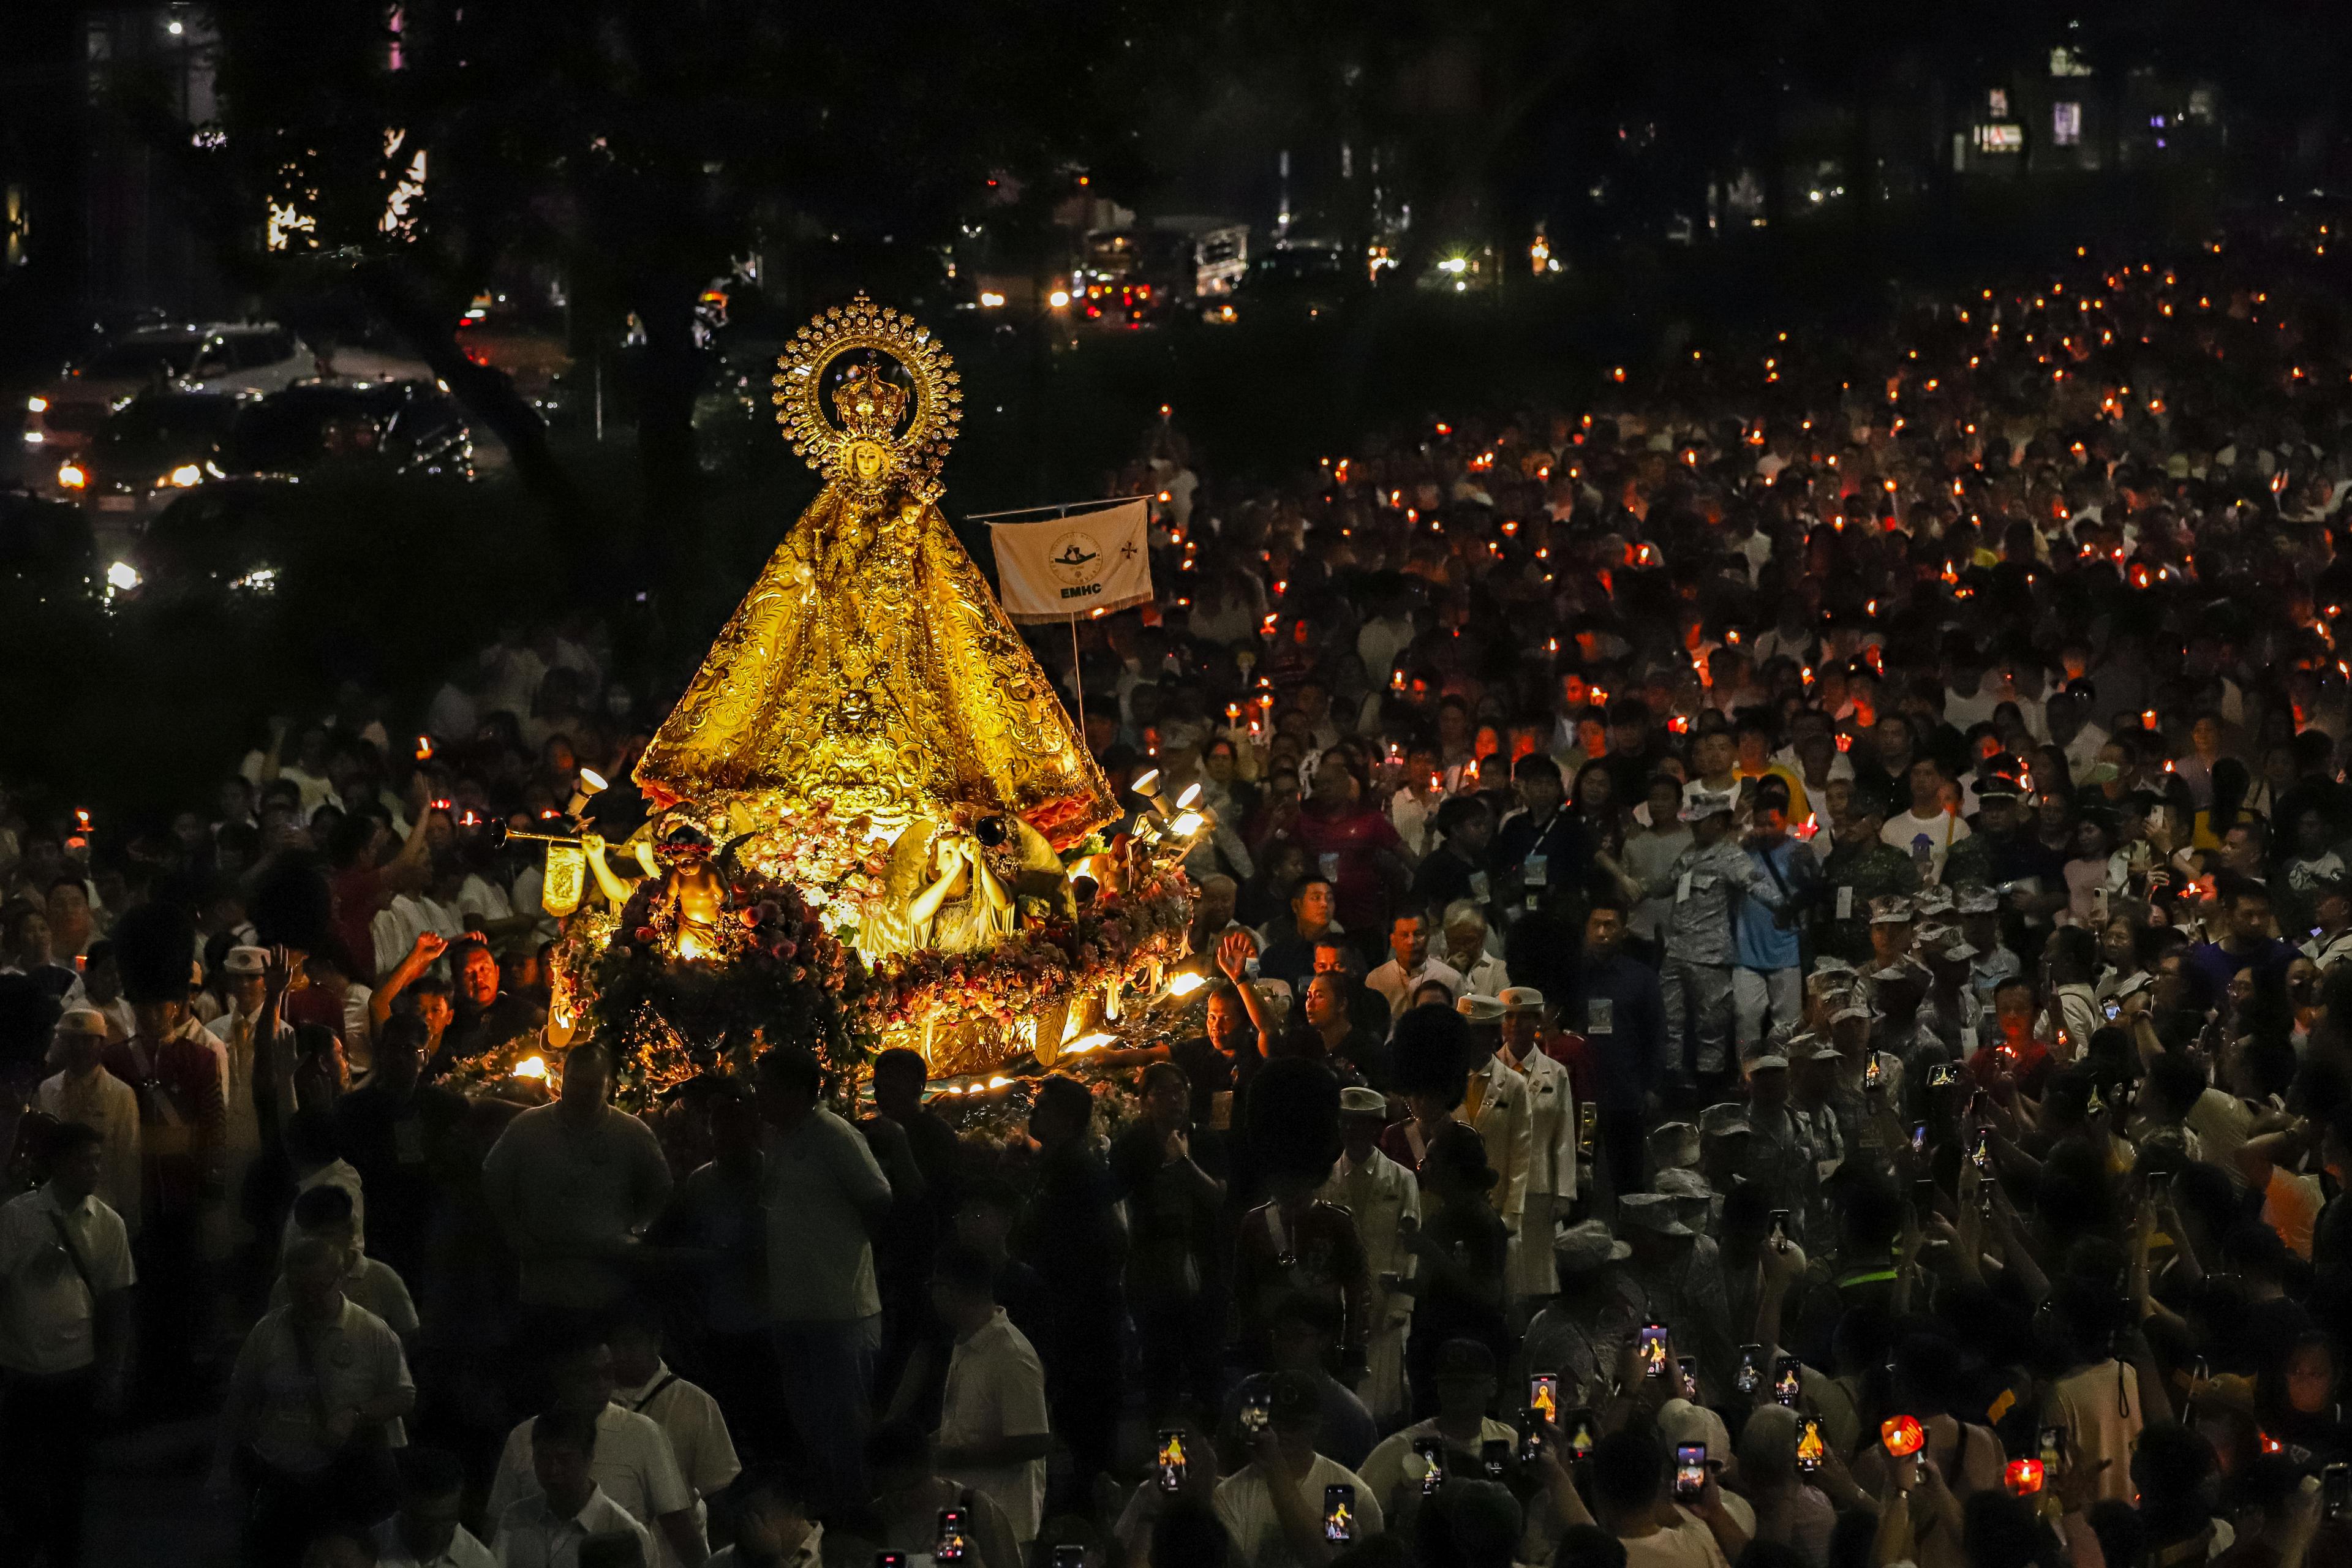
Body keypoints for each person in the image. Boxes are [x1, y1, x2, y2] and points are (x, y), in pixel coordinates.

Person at [211, 1234, 417, 1568]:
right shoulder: (268, 1332)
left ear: (339, 1280)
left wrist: (356, 1413)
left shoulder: (370, 1332)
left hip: (345, 1482)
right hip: (283, 1478)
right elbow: (239, 1398)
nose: (308, 1300)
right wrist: (221, 1465)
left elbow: (404, 1395)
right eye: (298, 1290)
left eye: (318, 1288)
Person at [751, 1044, 895, 1513]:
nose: (758, 1096)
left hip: (839, 1311)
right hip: (794, 1309)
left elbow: (879, 1198)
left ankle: (855, 1518)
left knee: (845, 1425)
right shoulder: (779, 1137)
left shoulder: (834, 1135)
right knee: (811, 1425)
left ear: (795, 1092)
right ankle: (828, 1517)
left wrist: (844, 1254)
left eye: (765, 1087)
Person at [0, 1120, 134, 1568]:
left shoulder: (107, 1224)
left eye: (97, 1160)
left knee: (70, 1483)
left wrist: (112, 1373)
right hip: (22, 1371)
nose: (93, 1169)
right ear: (58, 1163)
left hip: (76, 1372)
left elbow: (117, 1302)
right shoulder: (18, 1218)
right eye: (84, 1159)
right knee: (22, 1481)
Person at [481, 1041, 672, 1322]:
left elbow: (662, 1187)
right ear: (562, 1079)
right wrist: (513, 1232)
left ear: (608, 1087)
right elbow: (493, 1177)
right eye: (575, 1082)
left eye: (592, 1086)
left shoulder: (630, 1133)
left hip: (607, 1284)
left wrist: (637, 1231)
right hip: (544, 1282)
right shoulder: (528, 1127)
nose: (581, 1093)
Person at [483, 1326, 705, 1568]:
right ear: (561, 1376)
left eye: (607, 1373)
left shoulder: (643, 1433)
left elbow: (677, 1524)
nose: (601, 1384)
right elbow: (496, 1525)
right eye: (588, 1376)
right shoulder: (523, 1437)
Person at [1014, 1074, 1126, 1510]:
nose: (1033, 1114)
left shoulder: (1078, 1171)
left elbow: (1113, 1240)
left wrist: (1072, 1292)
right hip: (1072, 1318)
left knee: (1087, 1435)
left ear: (1063, 1118)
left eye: (1041, 1106)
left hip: (1083, 1325)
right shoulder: (1058, 1165)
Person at [1110, 1060, 1227, 1420]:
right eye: (1163, 1092)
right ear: (1144, 1101)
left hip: (1203, 1267)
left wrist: (1183, 1163)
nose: (1174, 1099)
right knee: (1161, 1377)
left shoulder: (1205, 1139)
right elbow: (1114, 1201)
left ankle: (1215, 1458)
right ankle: (1170, 1466)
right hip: (1153, 1271)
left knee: (1207, 1370)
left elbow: (1218, 1197)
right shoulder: (1131, 1146)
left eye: (1180, 1091)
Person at [930, 1240, 1052, 1550]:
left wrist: (955, 1455)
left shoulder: (1011, 1354)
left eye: (935, 1286)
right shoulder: (965, 1343)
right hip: (960, 1514)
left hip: (1003, 1524)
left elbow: (1034, 1440)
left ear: (951, 1290)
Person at [1317, 1084, 1420, 1424]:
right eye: (1346, 1124)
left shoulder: (1403, 1180)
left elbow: (1410, 1248)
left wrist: (1401, 1303)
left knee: (1386, 1399)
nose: (1353, 1133)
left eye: (1362, 1125)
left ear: (1377, 1129)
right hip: (1340, 1307)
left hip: (1384, 1306)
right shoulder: (1325, 1181)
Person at [1213, 1368, 1384, 1568]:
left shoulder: (1355, 1495)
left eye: (1295, 1426)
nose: (1284, 1434)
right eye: (1276, 1424)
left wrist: (1275, 1465)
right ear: (1258, 1422)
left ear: (1317, 1426)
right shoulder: (1230, 1496)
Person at [608, 1296, 742, 1527]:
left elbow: (721, 1490)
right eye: (613, 1345)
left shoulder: (696, 1404)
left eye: (630, 1344)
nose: (620, 1355)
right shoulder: (590, 1399)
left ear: (656, 1341)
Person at [1354, 1338, 1523, 1517]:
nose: (1456, 1391)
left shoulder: (1509, 1440)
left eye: (1468, 1383)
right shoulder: (1400, 1448)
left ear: (1492, 1386)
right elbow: (1361, 1515)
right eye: (1449, 1383)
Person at [488, 1409, 657, 1568]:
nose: (553, 1469)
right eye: (543, 1457)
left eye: (564, 1458)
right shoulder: (515, 1518)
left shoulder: (624, 1530)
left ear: (589, 1457)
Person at [1496, 986, 1575, 1301]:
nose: (1517, 1024)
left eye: (1526, 1017)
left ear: (1538, 1021)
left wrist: (1564, 1191)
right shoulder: (1486, 1072)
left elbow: (1564, 1135)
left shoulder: (1555, 1074)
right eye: (1510, 1017)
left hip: (1541, 1187)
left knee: (1540, 1273)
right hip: (1499, 1185)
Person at [36, 1006, 141, 1228]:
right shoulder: (46, 1089)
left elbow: (129, 1159)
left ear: (102, 1044)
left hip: (104, 1209)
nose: (79, 1048)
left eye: (87, 1041)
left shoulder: (121, 1094)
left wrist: (129, 1216)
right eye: (71, 1041)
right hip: (55, 1209)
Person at [372, 1445, 496, 1568]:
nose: (436, 1536)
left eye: (447, 1521)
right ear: (402, 1504)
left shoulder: (480, 1562)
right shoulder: (367, 1549)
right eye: (425, 1523)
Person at [1365, 913, 1461, 1020]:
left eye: (1419, 934)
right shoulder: (1376, 979)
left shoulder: (1451, 979)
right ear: (1393, 940)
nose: (1412, 942)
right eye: (1404, 935)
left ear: (1428, 937)